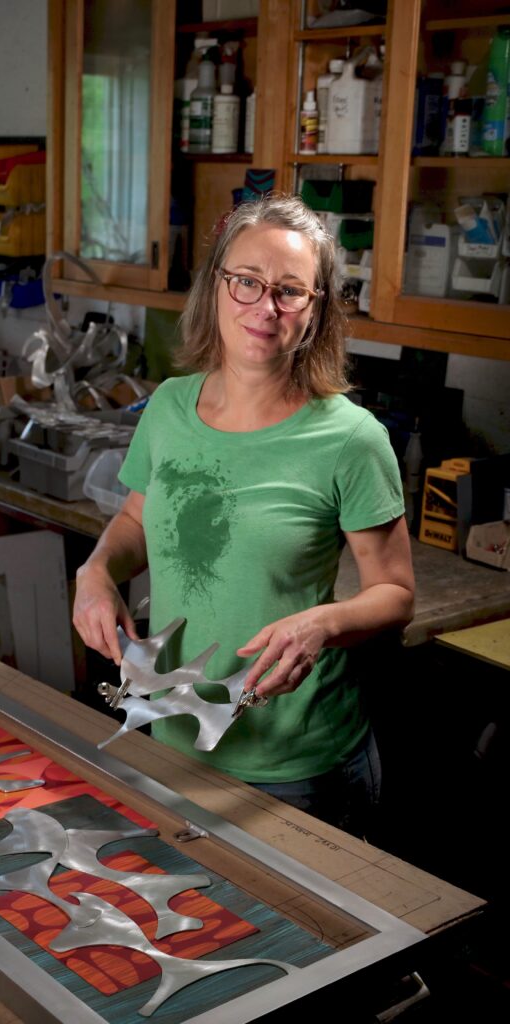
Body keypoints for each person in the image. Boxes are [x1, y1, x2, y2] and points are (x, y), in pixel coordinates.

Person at [73, 193, 414, 838]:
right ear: (217, 288)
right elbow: (137, 521)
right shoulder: (169, 408)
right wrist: (96, 573)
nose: (265, 307)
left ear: (314, 312)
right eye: (248, 282)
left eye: (291, 291)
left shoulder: (352, 440)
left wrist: (324, 623)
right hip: (170, 740)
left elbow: (395, 595)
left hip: (295, 765)